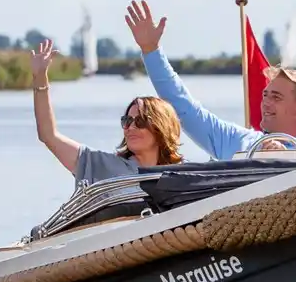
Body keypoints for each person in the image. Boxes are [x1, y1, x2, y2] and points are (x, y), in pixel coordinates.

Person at [123, 0, 296, 161]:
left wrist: (290, 155)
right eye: (265, 95)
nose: (265, 103)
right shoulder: (237, 141)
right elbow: (182, 107)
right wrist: (151, 51)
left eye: (276, 97)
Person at [28, 38, 185, 186]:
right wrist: (40, 79)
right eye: (127, 121)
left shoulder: (181, 178)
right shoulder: (101, 165)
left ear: (161, 127)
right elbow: (48, 135)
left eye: (140, 122)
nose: (130, 127)